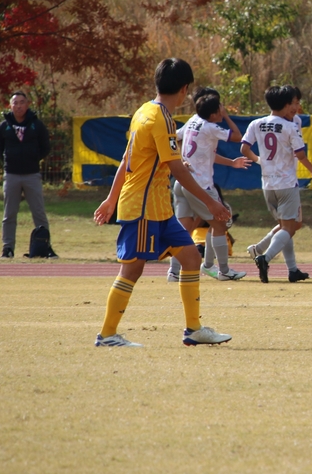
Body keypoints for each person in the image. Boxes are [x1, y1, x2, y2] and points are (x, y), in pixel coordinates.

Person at [92, 58, 232, 347]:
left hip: (159, 207)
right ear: (184, 89)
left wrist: (110, 199)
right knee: (132, 269)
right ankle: (106, 335)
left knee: (191, 258)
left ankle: (194, 330)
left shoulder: (143, 111)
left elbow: (127, 159)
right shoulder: (162, 118)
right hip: (143, 208)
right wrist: (212, 202)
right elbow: (177, 167)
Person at [242, 85, 312, 283]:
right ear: (286, 104)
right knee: (290, 227)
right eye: (293, 103)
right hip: (286, 183)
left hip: (267, 184)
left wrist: (259, 160)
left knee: (287, 226)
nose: (295, 107)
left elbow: (244, 148)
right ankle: (265, 257)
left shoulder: (256, 123)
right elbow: (300, 154)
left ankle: (292, 269)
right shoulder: (290, 126)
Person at [168, 88, 249, 282]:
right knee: (220, 224)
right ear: (213, 113)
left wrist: (180, 160)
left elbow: (174, 139)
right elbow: (238, 136)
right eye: (220, 108)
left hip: (181, 182)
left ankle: (173, 272)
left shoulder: (192, 121)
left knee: (183, 229)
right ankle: (224, 270)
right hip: (199, 185)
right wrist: (228, 116)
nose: (222, 110)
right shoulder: (210, 126)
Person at [0, 91, 55, 258]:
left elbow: (45, 147)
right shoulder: (4, 127)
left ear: (27, 104)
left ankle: (45, 246)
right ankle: (7, 248)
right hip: (12, 175)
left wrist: (32, 159)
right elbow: (1, 149)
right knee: (9, 213)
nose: (19, 106)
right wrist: (10, 161)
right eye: (15, 103)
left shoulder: (36, 125)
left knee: (38, 212)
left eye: (22, 102)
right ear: (10, 105)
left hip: (32, 175)